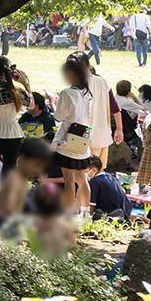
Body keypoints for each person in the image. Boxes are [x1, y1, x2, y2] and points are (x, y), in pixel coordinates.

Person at [51, 51, 109, 220]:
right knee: (81, 178)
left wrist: (53, 102)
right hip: (83, 138)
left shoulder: (67, 93)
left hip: (67, 139)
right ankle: (85, 213)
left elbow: (59, 116)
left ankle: (68, 215)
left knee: (69, 180)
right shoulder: (87, 92)